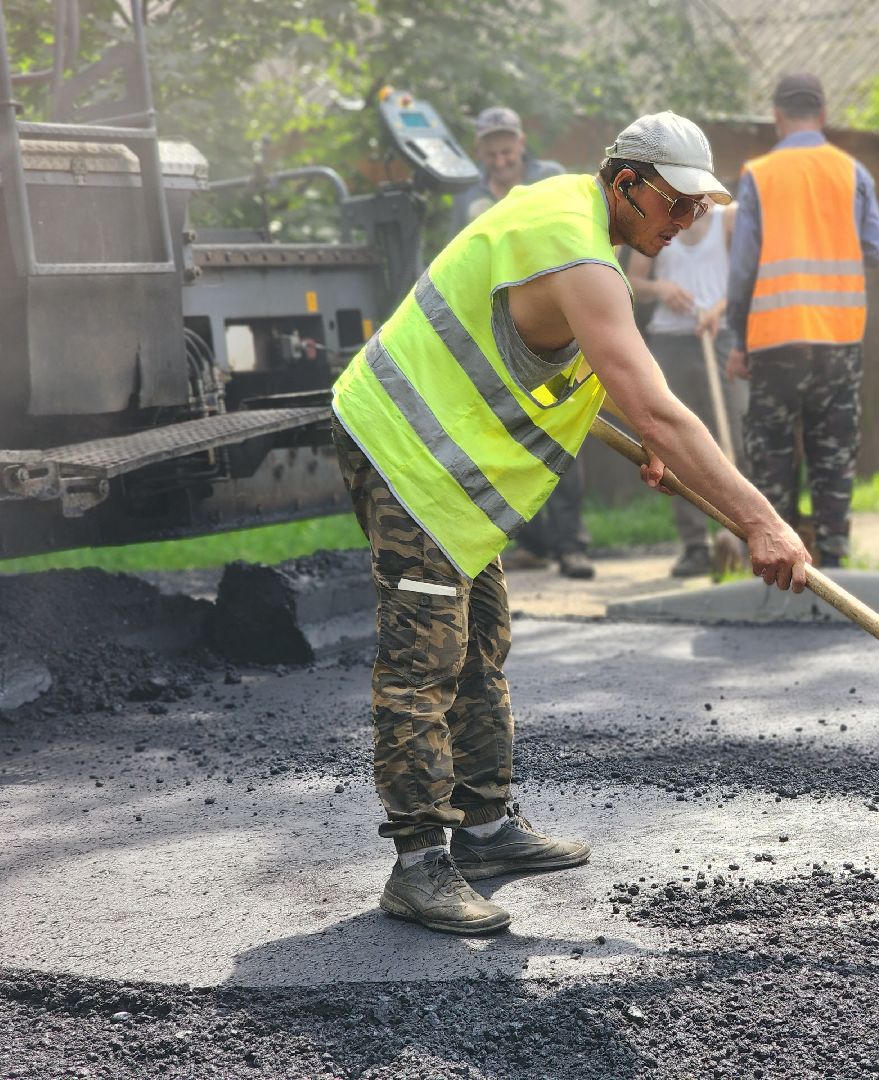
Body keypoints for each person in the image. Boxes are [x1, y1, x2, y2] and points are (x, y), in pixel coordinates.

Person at [331, 110, 810, 936]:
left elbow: (555, 357)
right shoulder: (581, 254)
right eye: (677, 204)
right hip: (404, 451)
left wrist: (637, 439)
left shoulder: (569, 214)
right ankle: (416, 866)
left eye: (699, 209)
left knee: (482, 644)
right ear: (626, 184)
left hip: (453, 476)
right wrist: (761, 523)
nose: (688, 222)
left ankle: (482, 830)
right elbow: (660, 408)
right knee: (424, 662)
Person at [725, 72, 879, 569]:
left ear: (777, 115)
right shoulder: (853, 172)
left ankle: (777, 567)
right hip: (840, 340)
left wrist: (739, 339)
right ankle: (835, 565)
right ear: (822, 115)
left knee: (773, 455)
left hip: (774, 342)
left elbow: (742, 270)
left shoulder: (758, 174)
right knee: (834, 452)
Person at [451, 105, 594, 579]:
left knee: (564, 433)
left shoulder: (548, 180)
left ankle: (572, 544)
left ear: (521, 142)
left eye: (506, 145)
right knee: (511, 440)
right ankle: (531, 542)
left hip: (552, 327)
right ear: (481, 151)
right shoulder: (469, 200)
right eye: (491, 148)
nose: (500, 155)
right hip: (498, 334)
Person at [627, 201, 744, 577]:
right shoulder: (659, 219)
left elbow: (746, 277)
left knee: (733, 440)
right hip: (671, 342)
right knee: (675, 444)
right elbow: (632, 282)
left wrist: (720, 309)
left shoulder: (729, 219)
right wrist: (661, 288)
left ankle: (741, 536)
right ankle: (695, 545)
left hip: (719, 337)